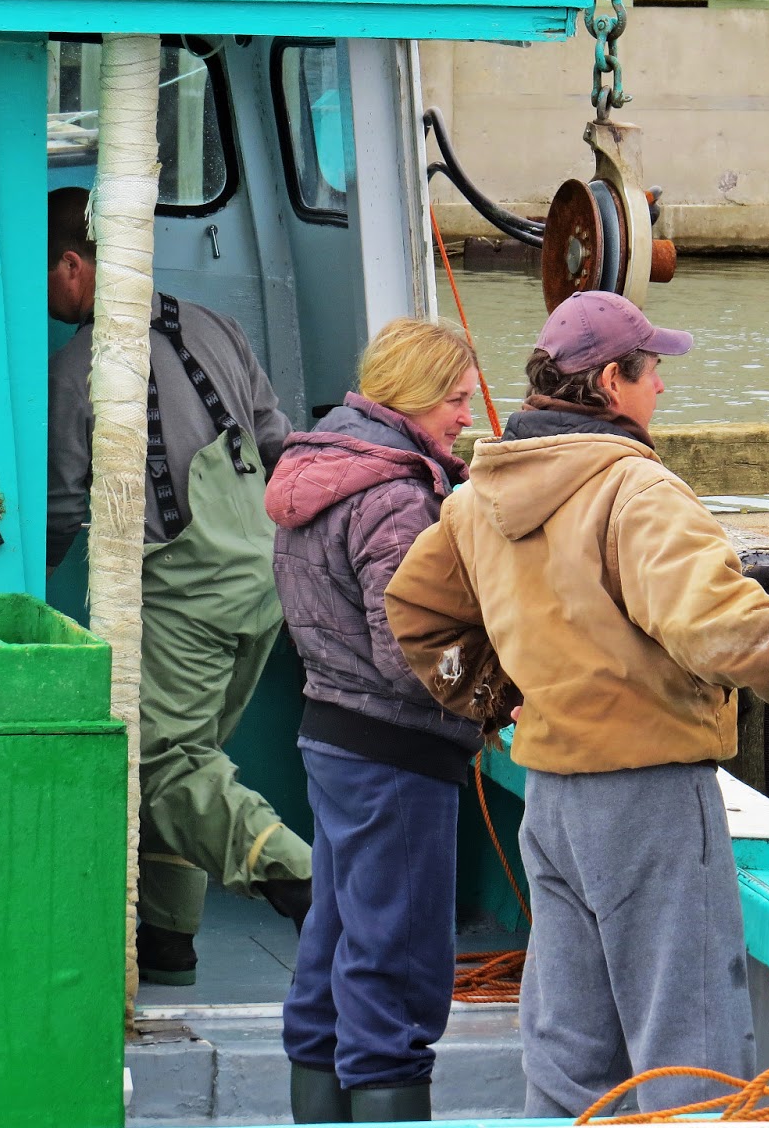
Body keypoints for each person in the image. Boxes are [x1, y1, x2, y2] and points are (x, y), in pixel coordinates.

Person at [383, 290, 769, 1118]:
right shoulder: (634, 491)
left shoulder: (478, 496)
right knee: (693, 1050)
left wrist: (498, 700)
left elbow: (419, 612)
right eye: (652, 373)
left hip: (554, 797)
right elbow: (717, 626)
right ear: (613, 380)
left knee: (568, 1052)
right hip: (648, 794)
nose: (662, 390)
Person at [45, 187, 312, 985]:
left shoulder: (79, 368)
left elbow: (61, 505)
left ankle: (304, 881)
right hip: (260, 584)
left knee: (161, 764)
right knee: (189, 753)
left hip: (186, 597)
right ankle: (168, 942)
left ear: (72, 265)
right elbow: (276, 444)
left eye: (42, 275)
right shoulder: (217, 328)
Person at [263, 318, 487, 1123]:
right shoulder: (396, 498)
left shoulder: (320, 465)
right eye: (457, 400)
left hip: (332, 733)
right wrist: (499, 693)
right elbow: (415, 656)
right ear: (416, 397)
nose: (466, 416)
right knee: (396, 968)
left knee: (333, 948)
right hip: (398, 756)